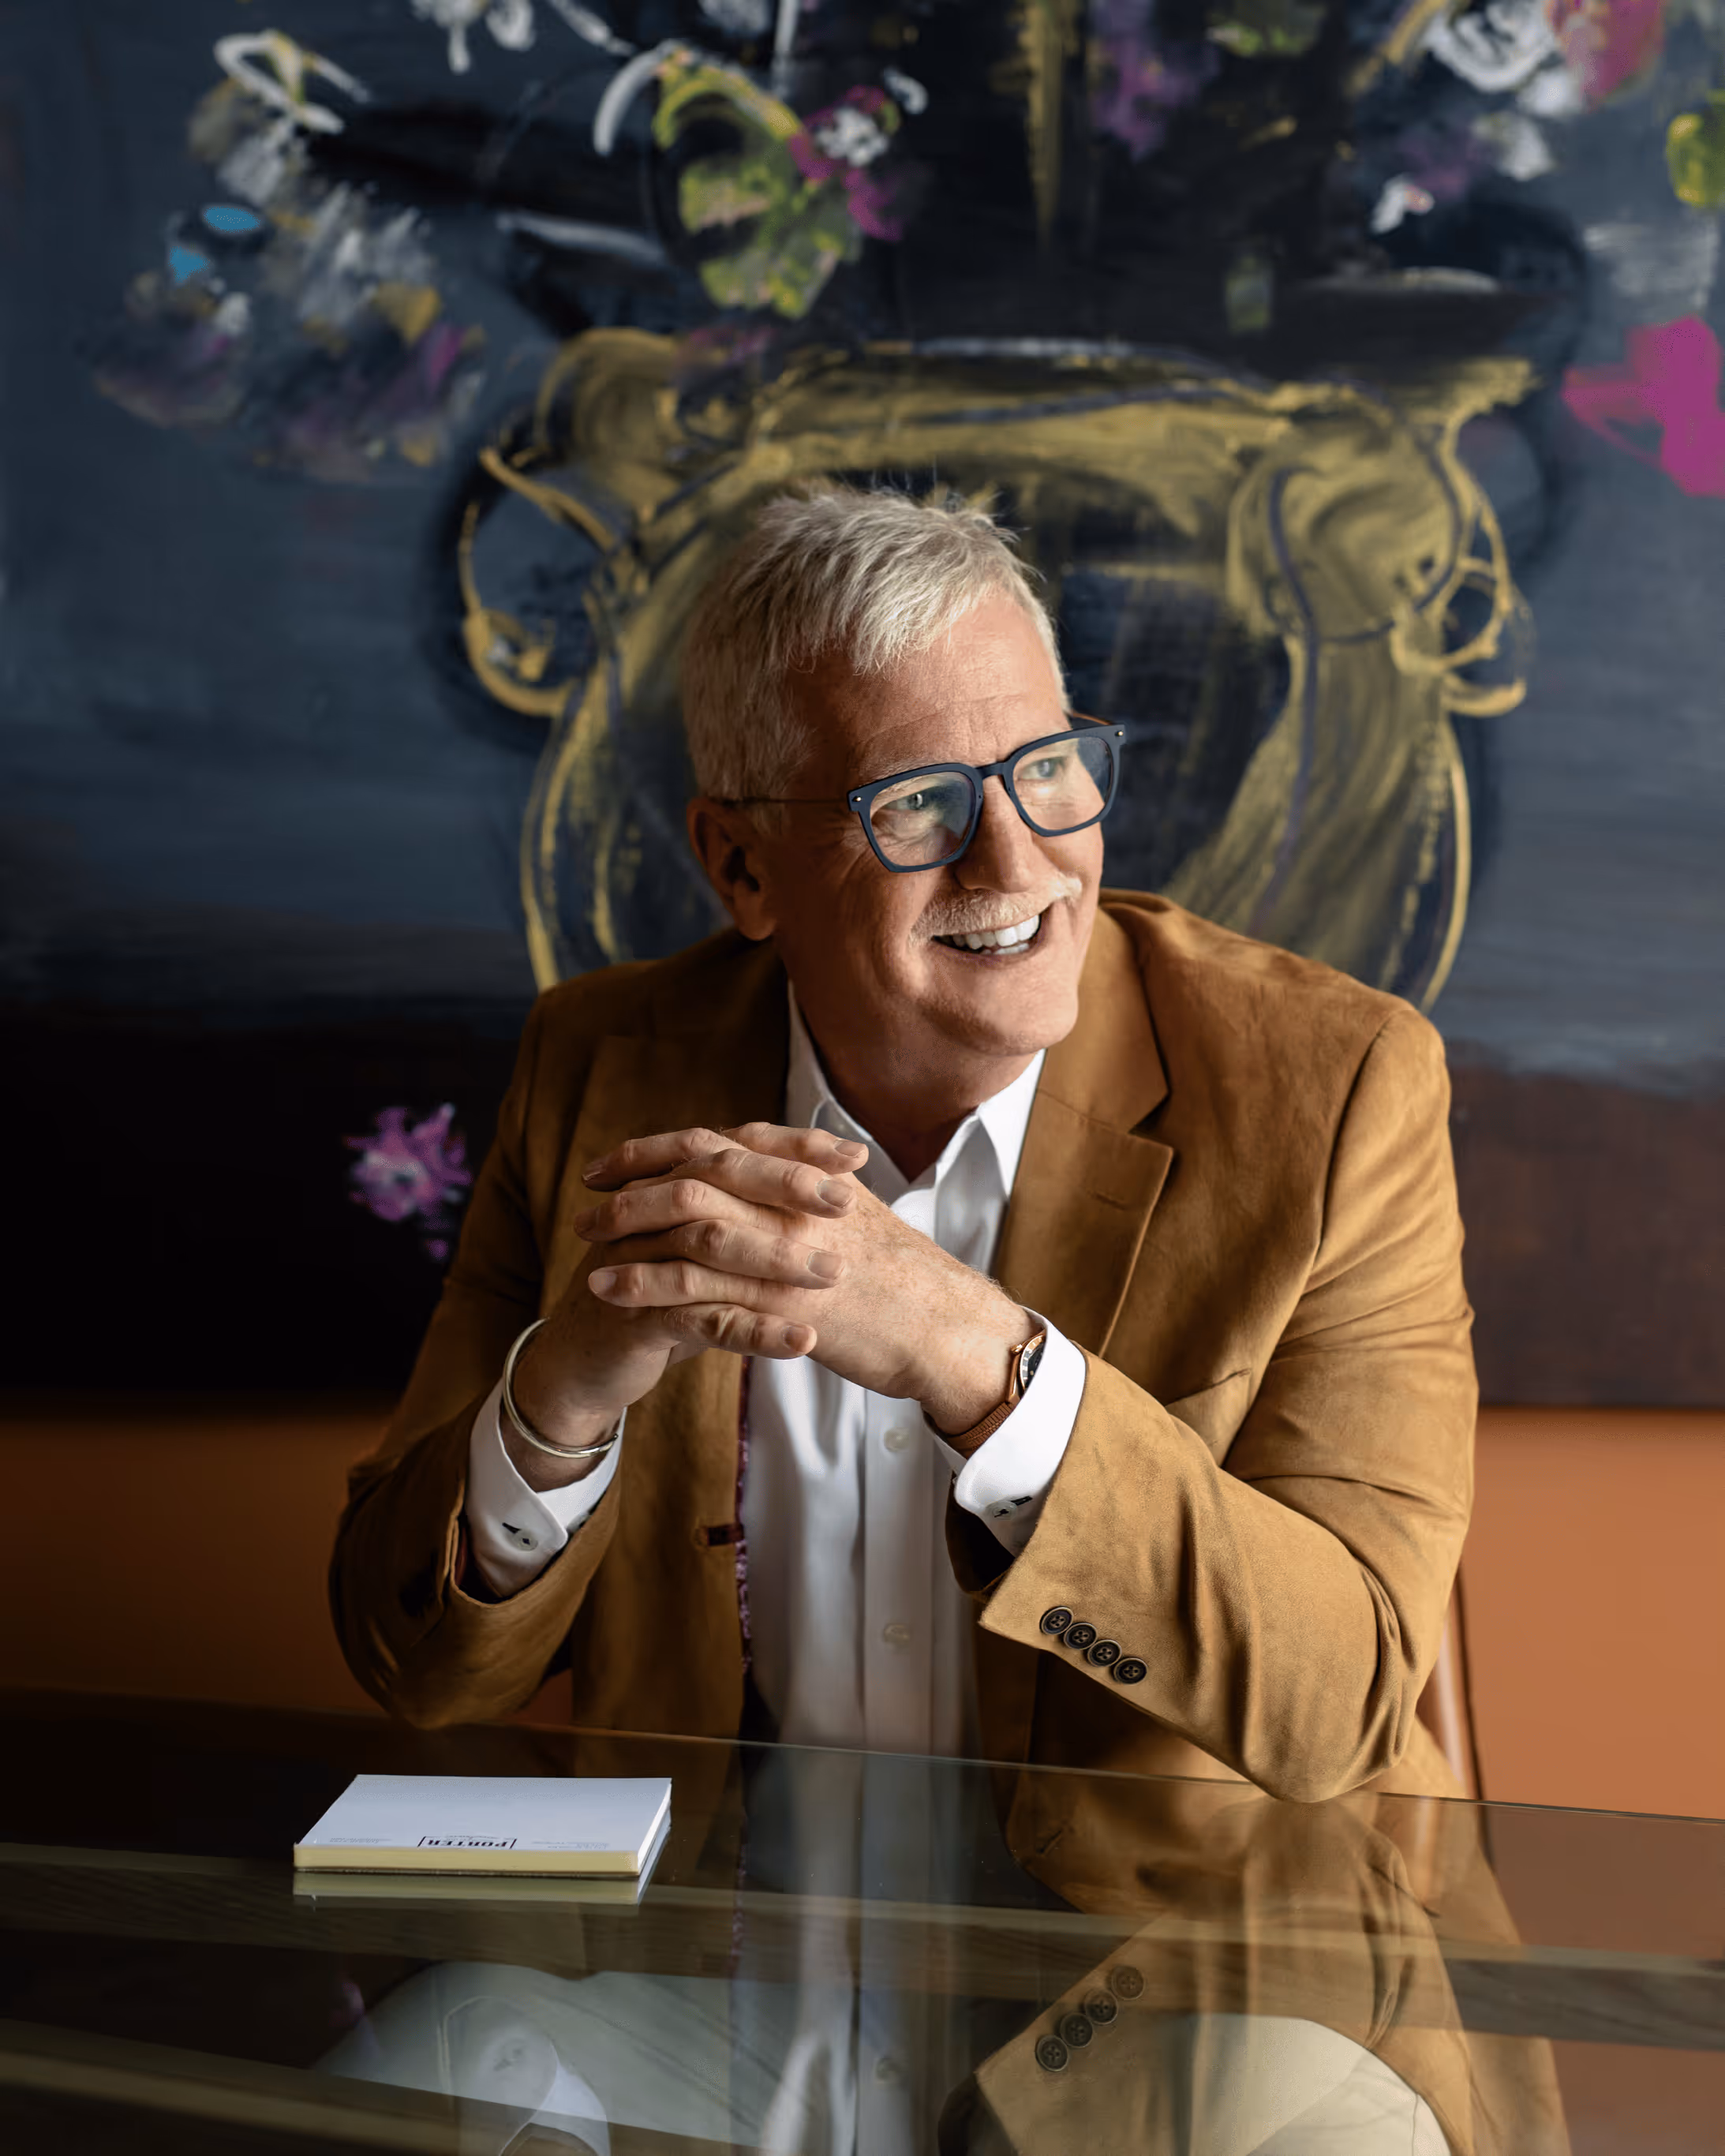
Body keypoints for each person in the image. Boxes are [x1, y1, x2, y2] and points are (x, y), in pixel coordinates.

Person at [331, 485, 1476, 1803]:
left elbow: (1348, 1704)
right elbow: (411, 1666)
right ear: (743, 868)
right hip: (722, 1954)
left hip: (1197, 1955)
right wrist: (558, 1404)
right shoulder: (604, 1064)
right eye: (918, 803)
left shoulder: (1338, 1090)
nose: (1017, 862)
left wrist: (975, 1358)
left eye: (1046, 768)